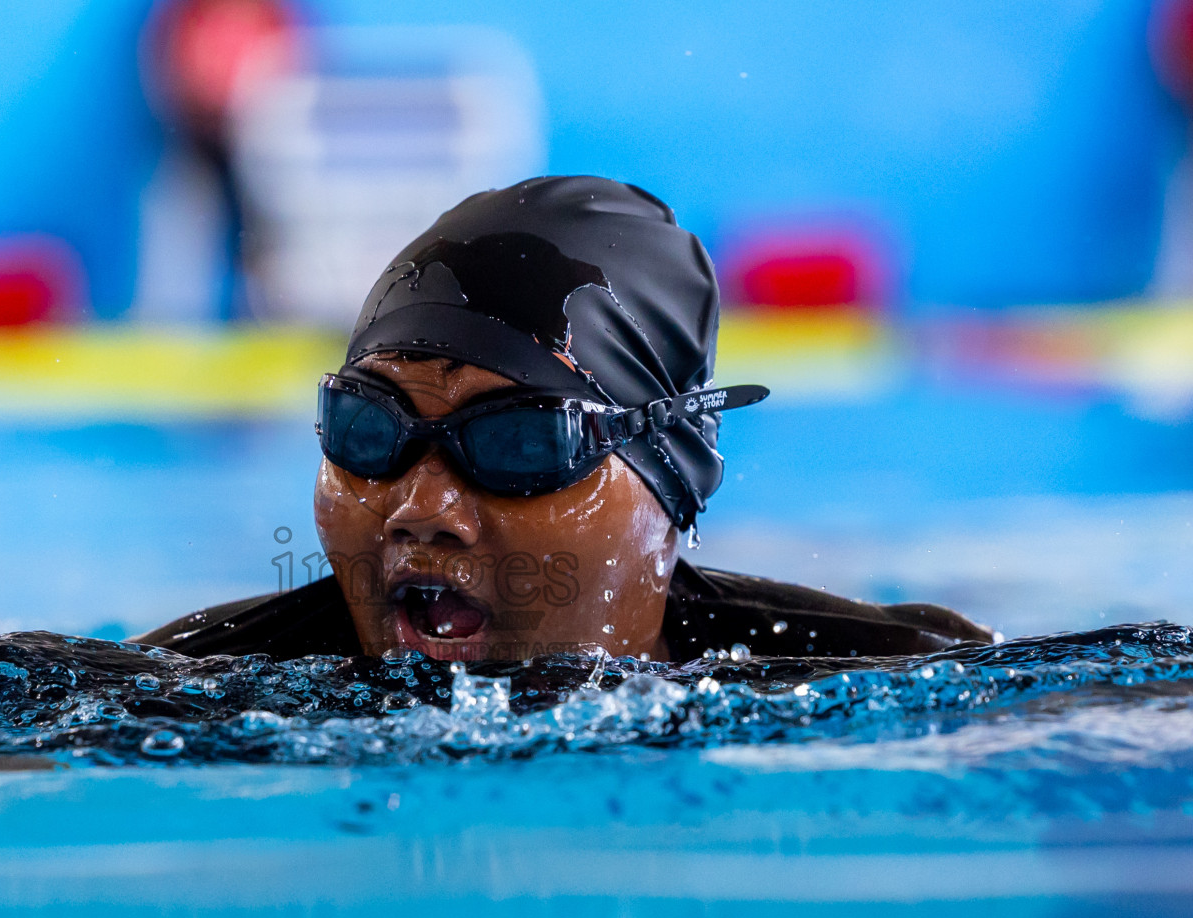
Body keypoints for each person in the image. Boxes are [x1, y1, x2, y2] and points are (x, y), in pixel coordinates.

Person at [133, 176, 990, 661]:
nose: (418, 509)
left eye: (518, 441)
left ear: (672, 485)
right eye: (369, 430)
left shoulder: (902, 673)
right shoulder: (188, 683)